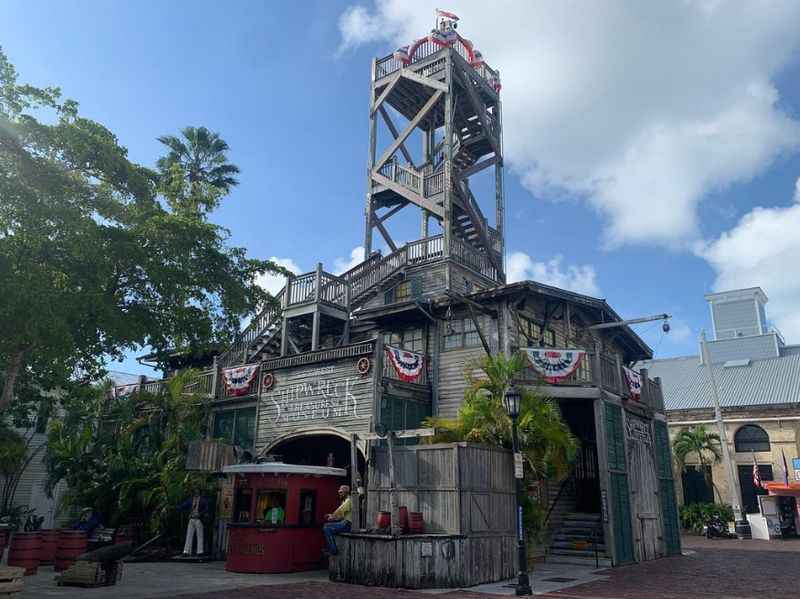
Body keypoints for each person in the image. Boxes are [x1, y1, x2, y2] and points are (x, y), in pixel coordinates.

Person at [178, 490, 208, 556]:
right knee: (189, 535)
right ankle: (186, 551)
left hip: (198, 519)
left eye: (197, 492)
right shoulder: (190, 500)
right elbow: (183, 505)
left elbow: (206, 509)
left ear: (199, 493)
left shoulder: (203, 500)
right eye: (195, 492)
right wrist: (174, 507)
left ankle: (200, 552)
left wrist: (200, 514)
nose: (196, 493)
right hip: (191, 519)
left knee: (199, 536)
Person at [323, 485, 351, 556]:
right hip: (345, 522)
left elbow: (340, 510)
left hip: (348, 524)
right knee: (328, 525)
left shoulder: (349, 500)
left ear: (346, 492)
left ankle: (333, 550)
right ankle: (331, 548)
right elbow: (340, 515)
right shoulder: (345, 501)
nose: (339, 494)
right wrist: (332, 516)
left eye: (341, 492)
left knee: (326, 527)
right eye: (339, 492)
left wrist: (332, 516)